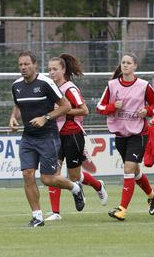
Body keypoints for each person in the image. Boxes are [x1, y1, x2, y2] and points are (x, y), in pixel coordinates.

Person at [9, 51, 85, 227]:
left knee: (48, 179)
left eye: (26, 64)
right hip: (28, 137)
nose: (23, 68)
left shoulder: (46, 83)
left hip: (48, 136)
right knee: (27, 174)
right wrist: (13, 118)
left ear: (35, 65)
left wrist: (46, 118)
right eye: (20, 65)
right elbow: (17, 106)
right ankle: (37, 217)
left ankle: (75, 188)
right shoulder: (16, 85)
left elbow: (65, 106)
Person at [97, 53, 154, 221]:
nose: (125, 65)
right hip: (121, 133)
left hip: (138, 133)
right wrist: (112, 106)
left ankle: (122, 209)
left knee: (128, 169)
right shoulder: (112, 85)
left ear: (135, 66)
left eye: (128, 63)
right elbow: (99, 107)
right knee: (135, 171)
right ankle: (152, 194)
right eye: (123, 62)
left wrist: (147, 111)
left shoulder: (143, 85)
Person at [45, 54, 108, 221]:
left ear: (63, 70)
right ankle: (56, 212)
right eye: (49, 69)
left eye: (55, 69)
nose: (51, 72)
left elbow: (84, 110)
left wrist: (63, 111)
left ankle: (98, 185)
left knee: (75, 176)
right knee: (53, 175)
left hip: (72, 135)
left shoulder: (69, 89)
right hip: (55, 136)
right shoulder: (50, 88)